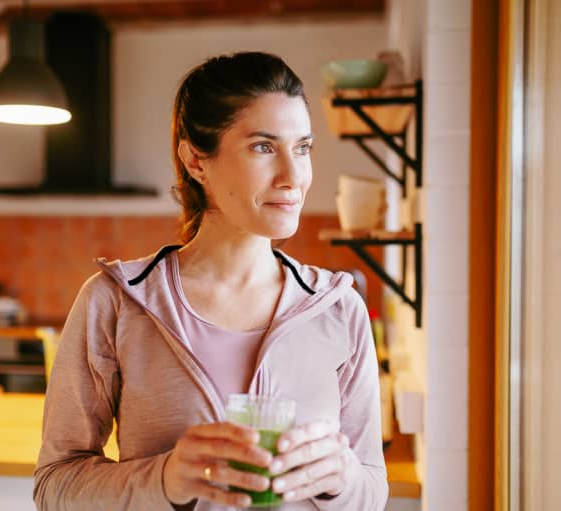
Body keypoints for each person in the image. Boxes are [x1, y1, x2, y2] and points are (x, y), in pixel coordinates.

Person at [33, 51, 388, 511]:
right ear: (196, 160)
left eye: (302, 147)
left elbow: (372, 492)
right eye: (264, 147)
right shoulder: (116, 303)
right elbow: (55, 487)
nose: (294, 176)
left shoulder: (339, 308)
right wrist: (165, 479)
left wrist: (342, 478)